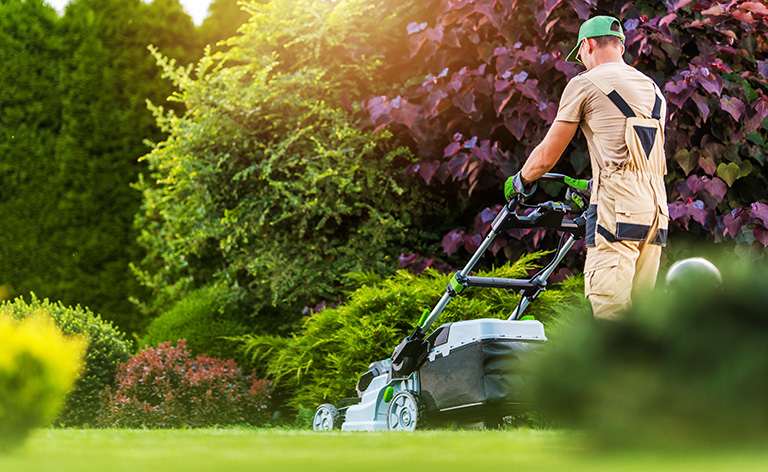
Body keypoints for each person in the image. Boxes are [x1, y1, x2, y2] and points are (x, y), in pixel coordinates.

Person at [504, 15, 669, 319]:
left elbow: (546, 156)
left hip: (618, 211)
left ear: (589, 44)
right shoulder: (652, 89)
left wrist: (520, 180)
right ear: (620, 45)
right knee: (642, 319)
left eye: (580, 54)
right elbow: (636, 153)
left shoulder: (585, 84)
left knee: (610, 312)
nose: (581, 61)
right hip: (656, 212)